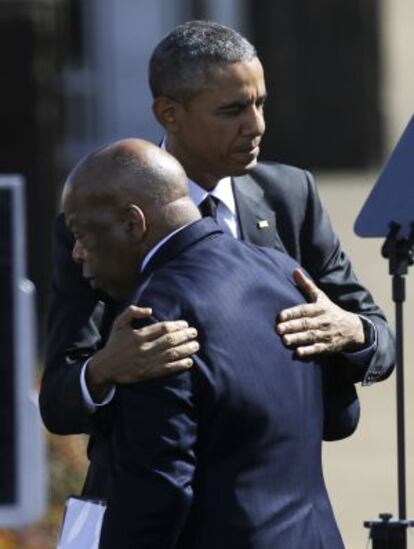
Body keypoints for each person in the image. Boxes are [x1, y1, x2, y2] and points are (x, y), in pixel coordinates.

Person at [39, 20, 394, 497]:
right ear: (170, 114)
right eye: (232, 111)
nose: (257, 125)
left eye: (260, 103)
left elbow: (380, 338)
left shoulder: (292, 197)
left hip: (273, 510)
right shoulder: (99, 217)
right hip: (151, 505)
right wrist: (104, 369)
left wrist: (352, 331)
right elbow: (61, 397)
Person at [63, 137, 352, 548]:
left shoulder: (155, 315)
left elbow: (159, 488)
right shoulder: (283, 272)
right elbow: (341, 416)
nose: (76, 253)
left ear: (133, 223)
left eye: (82, 234)